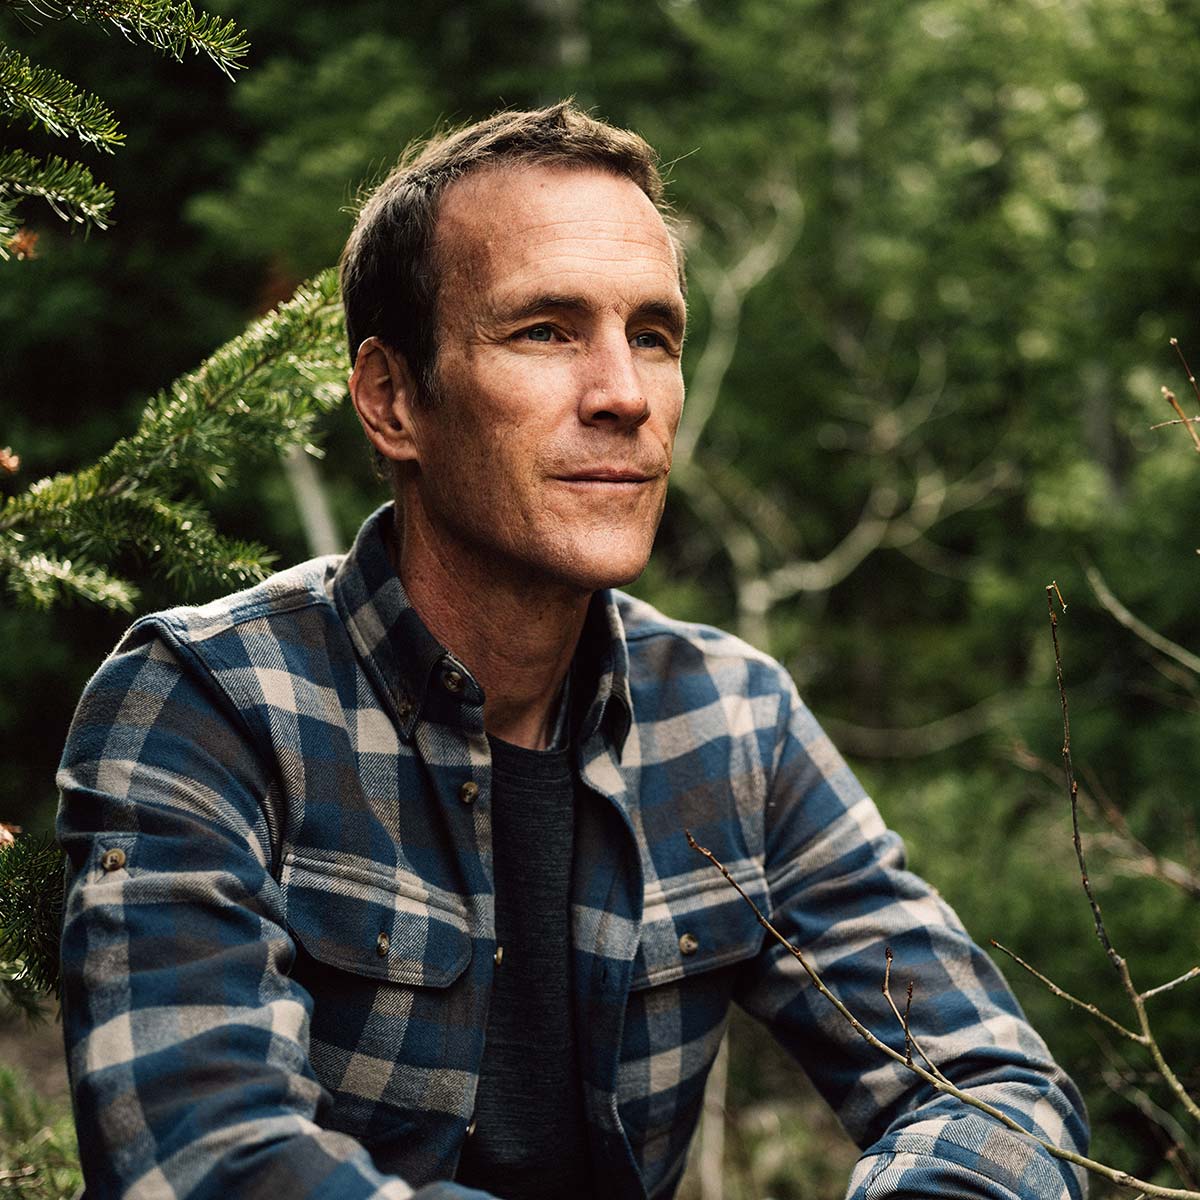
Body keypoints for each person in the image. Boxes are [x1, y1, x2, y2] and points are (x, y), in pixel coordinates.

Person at [57, 102, 1088, 1200]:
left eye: (653, 335)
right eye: (545, 331)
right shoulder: (207, 706)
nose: (625, 396)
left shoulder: (731, 720)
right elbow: (204, 1158)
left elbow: (999, 1092)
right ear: (391, 399)